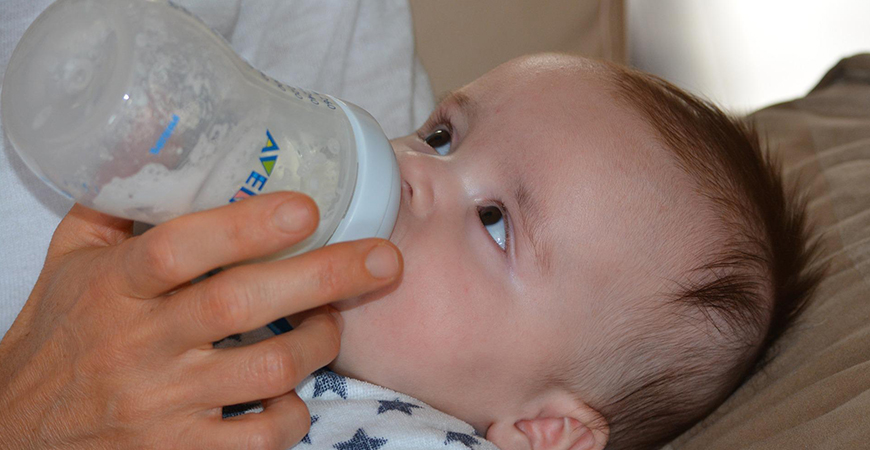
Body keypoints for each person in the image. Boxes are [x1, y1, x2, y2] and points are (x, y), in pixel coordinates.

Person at [0, 52, 823, 450]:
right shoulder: (239, 292)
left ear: (542, 428)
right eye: (441, 132)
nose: (413, 170)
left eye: (496, 220)